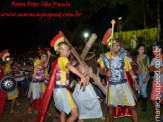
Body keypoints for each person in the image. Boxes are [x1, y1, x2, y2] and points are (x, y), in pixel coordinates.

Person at [37, 32, 87, 122]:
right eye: (68, 50)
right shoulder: (63, 59)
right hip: (62, 91)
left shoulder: (56, 61)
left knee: (63, 112)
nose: (69, 52)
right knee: (75, 114)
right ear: (61, 50)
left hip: (58, 91)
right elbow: (69, 66)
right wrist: (81, 76)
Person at [98, 37, 139, 122]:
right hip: (111, 86)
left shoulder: (123, 56)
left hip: (123, 85)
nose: (119, 47)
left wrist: (135, 81)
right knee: (111, 108)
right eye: (117, 46)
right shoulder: (104, 57)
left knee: (132, 106)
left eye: (119, 46)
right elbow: (100, 71)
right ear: (110, 46)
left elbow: (129, 69)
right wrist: (105, 73)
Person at [73, 52, 104, 122]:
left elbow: (93, 77)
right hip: (81, 87)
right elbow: (78, 77)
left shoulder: (89, 66)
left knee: (95, 101)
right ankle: (80, 117)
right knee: (80, 102)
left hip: (88, 87)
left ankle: (99, 115)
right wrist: (87, 72)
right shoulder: (79, 66)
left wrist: (95, 81)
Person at [27, 49, 51, 114]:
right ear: (40, 57)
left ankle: (44, 110)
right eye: (43, 56)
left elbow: (45, 76)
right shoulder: (37, 61)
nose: (45, 58)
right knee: (34, 97)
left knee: (44, 97)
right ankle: (29, 107)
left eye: (46, 57)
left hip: (41, 83)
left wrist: (53, 81)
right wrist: (49, 56)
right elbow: (45, 65)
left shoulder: (44, 64)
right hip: (35, 83)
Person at [0, 50, 20, 115]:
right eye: (11, 60)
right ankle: (11, 109)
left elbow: (8, 74)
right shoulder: (6, 67)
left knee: (16, 93)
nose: (12, 61)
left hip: (11, 83)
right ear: (8, 61)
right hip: (9, 84)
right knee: (14, 97)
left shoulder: (7, 66)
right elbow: (5, 77)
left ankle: (17, 103)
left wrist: (13, 72)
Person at [149, 42, 163, 121]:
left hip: (159, 82)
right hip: (157, 81)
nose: (152, 50)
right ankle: (158, 116)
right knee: (154, 99)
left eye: (154, 49)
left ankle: (158, 116)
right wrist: (155, 68)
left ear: (160, 49)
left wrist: (153, 68)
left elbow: (160, 71)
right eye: (152, 49)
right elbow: (150, 69)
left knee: (155, 99)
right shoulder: (154, 59)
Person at [136, 44, 150, 112]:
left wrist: (146, 77)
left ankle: (144, 105)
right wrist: (133, 63)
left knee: (143, 90)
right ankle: (143, 103)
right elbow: (139, 65)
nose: (142, 50)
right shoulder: (137, 57)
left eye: (143, 49)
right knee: (140, 90)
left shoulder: (146, 57)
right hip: (139, 74)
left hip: (145, 75)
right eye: (141, 49)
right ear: (138, 50)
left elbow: (149, 68)